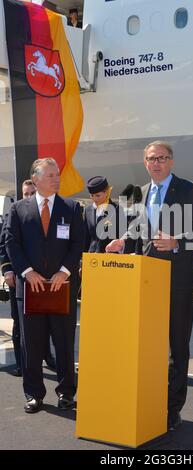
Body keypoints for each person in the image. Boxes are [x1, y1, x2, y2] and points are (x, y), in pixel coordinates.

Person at [106, 140, 193, 431]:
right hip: (147, 280)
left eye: (162, 158)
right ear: (145, 163)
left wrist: (178, 242)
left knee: (177, 346)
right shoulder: (138, 192)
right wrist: (123, 240)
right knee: (148, 346)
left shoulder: (190, 188)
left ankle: (172, 407)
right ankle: (150, 399)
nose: (156, 163)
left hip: (179, 280)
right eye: (151, 158)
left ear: (171, 161)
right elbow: (138, 228)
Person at [6, 158, 83, 414]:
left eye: (57, 174)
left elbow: (77, 244)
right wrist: (28, 272)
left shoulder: (71, 208)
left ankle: (66, 393)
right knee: (32, 344)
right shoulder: (18, 209)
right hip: (30, 289)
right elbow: (11, 244)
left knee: (63, 342)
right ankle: (34, 394)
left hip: (61, 288)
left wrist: (64, 272)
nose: (56, 178)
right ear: (36, 178)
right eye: (50, 175)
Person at [0, 179, 56, 377]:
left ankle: (47, 357)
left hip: (43, 279)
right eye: (27, 193)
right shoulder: (13, 214)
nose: (30, 196)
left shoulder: (47, 213)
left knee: (47, 320)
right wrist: (7, 270)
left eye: (33, 192)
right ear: (22, 195)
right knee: (20, 324)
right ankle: (22, 363)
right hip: (20, 279)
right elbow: (4, 246)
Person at [83, 176, 125, 253]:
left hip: (109, 258)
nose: (95, 199)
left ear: (106, 192)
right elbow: (86, 238)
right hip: (91, 258)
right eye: (92, 195)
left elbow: (122, 236)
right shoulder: (88, 210)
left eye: (98, 195)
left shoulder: (117, 210)